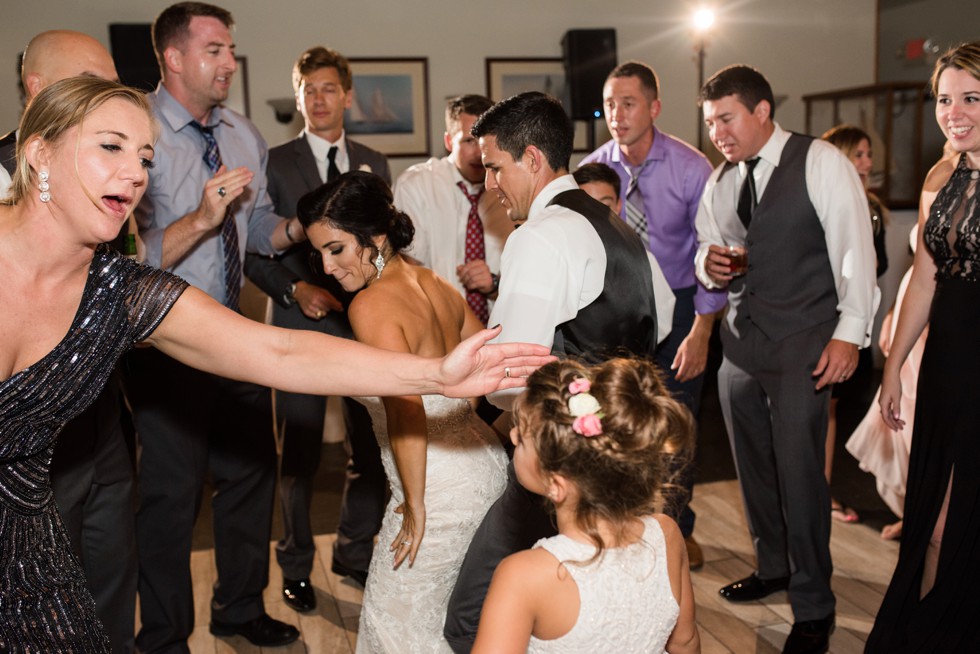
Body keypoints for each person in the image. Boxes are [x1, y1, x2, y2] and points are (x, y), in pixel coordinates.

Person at [0, 74, 549, 654]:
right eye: (111, 146)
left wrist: (436, 374)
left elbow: (276, 351)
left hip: (37, 567)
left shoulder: (121, 292)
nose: (136, 174)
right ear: (39, 152)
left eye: (145, 157)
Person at [444, 91, 675, 654]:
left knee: (470, 615)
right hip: (619, 459)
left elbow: (511, 371)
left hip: (559, 459)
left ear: (532, 158)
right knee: (598, 595)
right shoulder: (620, 231)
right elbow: (662, 319)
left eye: (495, 167)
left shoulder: (540, 234)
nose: (491, 184)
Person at [694, 65, 877, 654]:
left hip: (806, 340)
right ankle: (773, 565)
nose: (717, 132)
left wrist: (850, 333)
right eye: (710, 123)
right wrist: (708, 266)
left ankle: (815, 605)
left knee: (801, 474)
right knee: (752, 469)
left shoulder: (821, 162)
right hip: (742, 345)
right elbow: (704, 245)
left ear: (762, 111)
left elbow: (855, 252)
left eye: (726, 118)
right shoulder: (721, 180)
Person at [297, 171, 510, 653]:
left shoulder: (370, 306)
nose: (327, 268)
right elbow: (482, 364)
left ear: (374, 238)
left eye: (336, 249)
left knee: (397, 623)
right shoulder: (433, 279)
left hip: (434, 492)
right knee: (458, 620)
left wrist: (414, 505)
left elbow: (406, 408)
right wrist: (454, 414)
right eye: (319, 254)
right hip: (485, 468)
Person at [0, 30, 137, 654]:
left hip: (100, 409)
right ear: (38, 91)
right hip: (24, 451)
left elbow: (122, 285)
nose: (105, 96)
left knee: (106, 579)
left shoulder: (114, 179)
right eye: (91, 82)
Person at [243, 45, 390, 611]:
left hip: (361, 328)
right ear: (299, 96)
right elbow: (252, 250)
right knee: (298, 458)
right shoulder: (275, 162)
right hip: (295, 329)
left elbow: (386, 246)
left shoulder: (374, 161)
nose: (320, 99)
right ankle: (296, 568)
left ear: (347, 95)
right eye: (309, 90)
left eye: (330, 89)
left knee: (371, 451)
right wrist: (292, 288)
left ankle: (354, 552)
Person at [580, 61, 727, 569]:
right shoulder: (594, 170)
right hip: (616, 305)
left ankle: (676, 531)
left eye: (629, 103)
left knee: (678, 420)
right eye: (610, 104)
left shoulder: (692, 167)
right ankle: (620, 525)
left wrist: (703, 327)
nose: (616, 115)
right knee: (616, 421)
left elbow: (713, 250)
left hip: (684, 304)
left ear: (654, 107)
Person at [867, 42, 980, 653]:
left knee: (959, 524)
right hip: (946, 365)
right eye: (944, 99)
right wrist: (893, 366)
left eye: (971, 98)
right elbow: (925, 280)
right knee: (932, 521)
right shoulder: (945, 175)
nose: (953, 112)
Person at [471, 358, 699, 654]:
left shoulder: (523, 576)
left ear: (556, 484)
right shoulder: (666, 534)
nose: (512, 436)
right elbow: (685, 642)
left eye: (523, 437)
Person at [819, 124, 891, 524]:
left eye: (868, 155)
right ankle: (819, 492)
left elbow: (876, 268)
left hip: (858, 322)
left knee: (836, 411)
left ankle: (823, 489)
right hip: (829, 320)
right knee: (824, 410)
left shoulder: (874, 208)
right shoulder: (830, 203)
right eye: (858, 155)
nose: (866, 162)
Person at [394, 94, 514, 326]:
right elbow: (404, 272)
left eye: (485, 141)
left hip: (505, 329)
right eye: (469, 141)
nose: (480, 153)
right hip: (436, 328)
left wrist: (495, 284)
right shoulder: (416, 185)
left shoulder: (513, 188)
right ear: (449, 142)